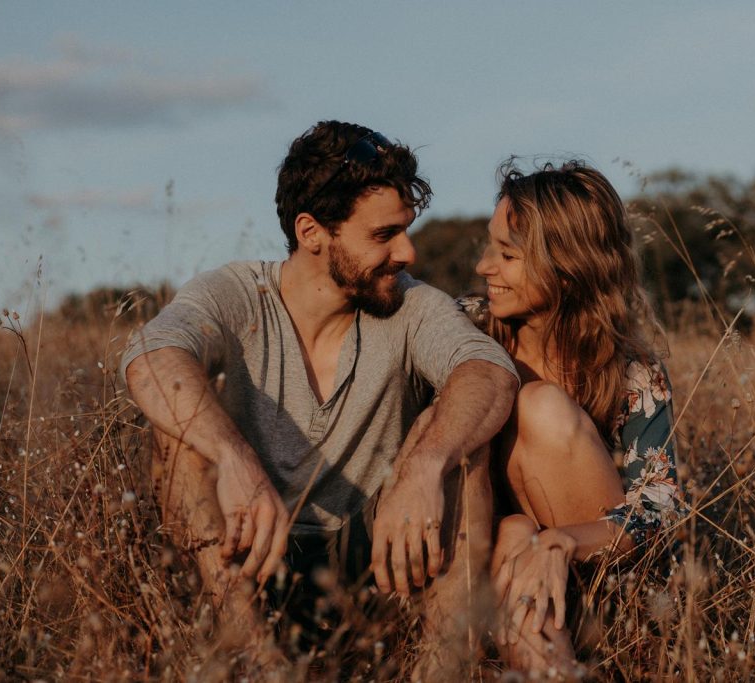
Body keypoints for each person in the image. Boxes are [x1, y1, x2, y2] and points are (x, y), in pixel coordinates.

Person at [121, 120, 519, 674]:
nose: (407, 252)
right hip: (251, 551)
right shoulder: (238, 294)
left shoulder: (409, 304)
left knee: (461, 441)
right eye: (383, 235)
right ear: (312, 233)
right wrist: (234, 458)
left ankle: (441, 666)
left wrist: (427, 465)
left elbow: (488, 371)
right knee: (177, 427)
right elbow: (152, 356)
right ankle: (252, 657)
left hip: (378, 558)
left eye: (406, 229)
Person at [461, 160, 685, 673]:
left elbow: (660, 505)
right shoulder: (464, 333)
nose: (483, 267)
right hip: (485, 573)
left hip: (597, 585)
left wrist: (562, 541)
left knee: (540, 406)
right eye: (490, 245)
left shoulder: (631, 371)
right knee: (516, 530)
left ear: (566, 268)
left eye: (507, 254)